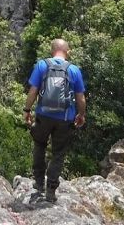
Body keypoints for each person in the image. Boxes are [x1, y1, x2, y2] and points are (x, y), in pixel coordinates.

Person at [23, 38, 86, 203]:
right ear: (68, 51)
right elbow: (80, 98)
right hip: (65, 119)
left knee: (39, 145)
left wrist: (27, 110)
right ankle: (51, 190)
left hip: (43, 115)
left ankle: (38, 183)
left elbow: (33, 91)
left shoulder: (42, 65)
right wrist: (81, 115)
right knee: (58, 153)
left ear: (52, 51)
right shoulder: (74, 70)